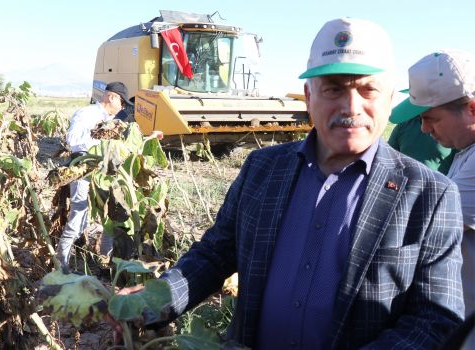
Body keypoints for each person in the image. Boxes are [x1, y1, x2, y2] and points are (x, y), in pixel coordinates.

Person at [117, 18, 465, 349]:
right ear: (308, 95)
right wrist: (157, 298)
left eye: (367, 89)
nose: (351, 106)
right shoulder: (263, 168)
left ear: (390, 100)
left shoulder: (429, 195)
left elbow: (433, 320)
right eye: (333, 89)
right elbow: (215, 254)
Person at [390, 49, 475, 350]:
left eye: (431, 119)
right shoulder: (465, 152)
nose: (424, 129)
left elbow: (425, 230)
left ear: (472, 109)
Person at [56, 81, 133, 270]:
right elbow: (72, 139)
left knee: (110, 214)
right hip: (84, 168)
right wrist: (99, 133)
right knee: (79, 214)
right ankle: (61, 264)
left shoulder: (113, 121)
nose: (122, 108)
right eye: (122, 103)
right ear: (112, 97)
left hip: (105, 172)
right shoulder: (87, 114)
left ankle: (103, 261)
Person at [388, 113, 455, 174]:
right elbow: (389, 158)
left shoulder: (452, 127)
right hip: (406, 184)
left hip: (440, 185)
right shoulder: (403, 126)